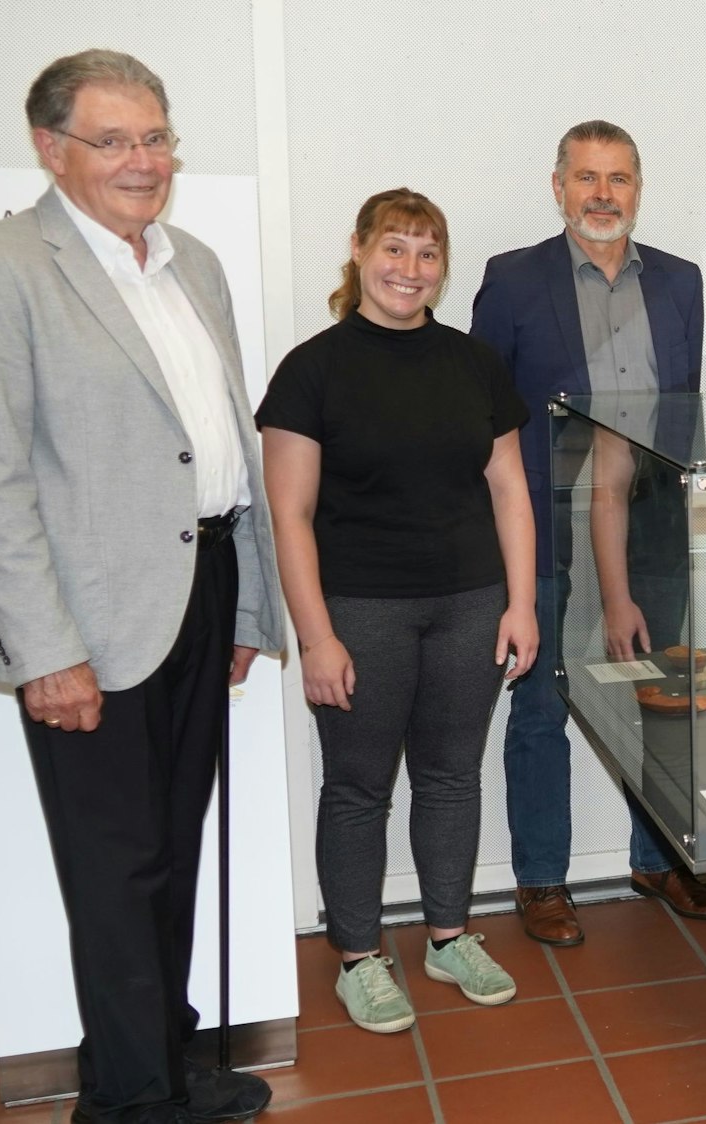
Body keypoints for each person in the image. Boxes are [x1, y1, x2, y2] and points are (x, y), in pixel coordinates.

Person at [0, 50, 281, 1124]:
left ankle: (162, 1061)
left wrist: (249, 608)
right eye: (117, 139)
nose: (146, 161)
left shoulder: (196, 265)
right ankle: (129, 1100)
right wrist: (44, 650)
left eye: (158, 136)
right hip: (89, 621)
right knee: (114, 870)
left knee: (172, 851)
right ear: (51, 149)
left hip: (203, 586)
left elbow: (225, 443)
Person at [257, 189, 537, 1034]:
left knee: (452, 778)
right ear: (358, 251)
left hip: (470, 603)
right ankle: (358, 955)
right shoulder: (312, 369)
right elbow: (290, 516)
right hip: (360, 610)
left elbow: (509, 490)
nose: (409, 270)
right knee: (358, 788)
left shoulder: (474, 363)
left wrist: (520, 604)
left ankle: (449, 936)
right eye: (394, 249)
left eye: (426, 253)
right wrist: (316, 637)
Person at [469, 120, 706, 944]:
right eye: (586, 177)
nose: (602, 194)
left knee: (663, 700)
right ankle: (541, 880)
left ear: (637, 191)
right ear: (558, 186)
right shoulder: (510, 281)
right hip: (544, 525)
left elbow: (686, 409)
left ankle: (659, 859)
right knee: (541, 702)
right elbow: (483, 422)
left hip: (650, 521)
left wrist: (698, 523)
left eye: (618, 178)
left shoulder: (680, 282)